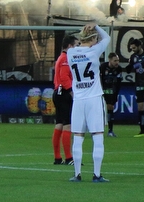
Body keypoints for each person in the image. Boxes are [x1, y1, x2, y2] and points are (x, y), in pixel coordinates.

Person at [67, 23, 112, 183]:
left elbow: (80, 47)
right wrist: (97, 26)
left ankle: (77, 174)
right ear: (93, 38)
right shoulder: (94, 51)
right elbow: (107, 37)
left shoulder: (71, 53)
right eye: (95, 38)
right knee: (97, 136)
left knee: (78, 137)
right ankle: (97, 175)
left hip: (78, 101)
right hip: (93, 99)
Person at [52, 35, 78, 165]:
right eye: (75, 45)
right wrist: (71, 92)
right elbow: (64, 77)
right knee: (68, 124)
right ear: (70, 46)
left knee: (60, 123)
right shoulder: (65, 59)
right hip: (63, 92)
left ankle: (58, 158)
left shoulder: (61, 58)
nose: (77, 48)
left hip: (58, 92)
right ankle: (68, 158)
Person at [101, 53, 123, 137]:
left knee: (110, 108)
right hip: (101, 91)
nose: (117, 62)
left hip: (111, 91)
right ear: (109, 60)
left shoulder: (119, 69)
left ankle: (110, 131)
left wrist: (116, 94)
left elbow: (119, 83)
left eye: (118, 60)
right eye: (115, 61)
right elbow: (99, 79)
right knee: (99, 111)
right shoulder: (103, 67)